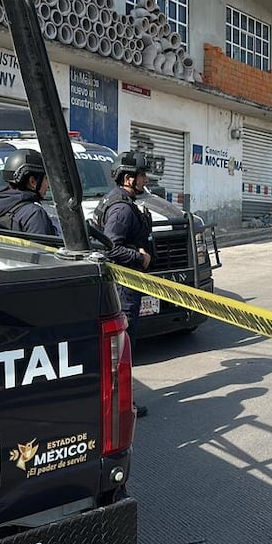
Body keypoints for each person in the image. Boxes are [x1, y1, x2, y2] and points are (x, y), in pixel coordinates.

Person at [95, 151, 154, 418]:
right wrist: (139, 257)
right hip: (123, 287)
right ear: (129, 178)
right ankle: (120, 405)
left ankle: (119, 401)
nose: (145, 179)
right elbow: (111, 249)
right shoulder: (120, 209)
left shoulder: (122, 201)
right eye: (142, 175)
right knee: (121, 348)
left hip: (125, 285)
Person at [0, 149, 60, 235]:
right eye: (46, 179)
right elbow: (43, 247)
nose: (48, 185)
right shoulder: (34, 214)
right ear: (32, 182)